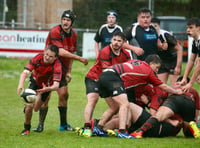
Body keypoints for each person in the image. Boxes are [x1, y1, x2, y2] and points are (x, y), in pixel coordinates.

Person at [92, 54, 183, 139]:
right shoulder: (148, 71)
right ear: (151, 63)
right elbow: (163, 86)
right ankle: (122, 132)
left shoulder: (136, 62)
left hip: (104, 75)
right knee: (125, 104)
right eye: (157, 67)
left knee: (114, 107)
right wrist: (176, 91)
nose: (157, 71)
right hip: (113, 77)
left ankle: (98, 128)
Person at [33, 10, 89, 133]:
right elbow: (60, 51)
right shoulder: (55, 31)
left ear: (72, 22)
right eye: (63, 19)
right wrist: (80, 58)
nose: (65, 22)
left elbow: (70, 54)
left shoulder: (74, 34)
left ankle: (63, 125)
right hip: (48, 68)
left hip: (61, 69)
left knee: (64, 95)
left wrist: (69, 71)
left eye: (68, 20)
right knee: (46, 96)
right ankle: (40, 125)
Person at [82, 31, 131, 137]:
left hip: (106, 81)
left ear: (124, 42)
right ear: (111, 39)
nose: (116, 43)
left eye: (119, 41)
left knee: (114, 107)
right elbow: (106, 71)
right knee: (93, 100)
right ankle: (86, 127)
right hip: (94, 78)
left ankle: (98, 127)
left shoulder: (126, 54)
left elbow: (128, 70)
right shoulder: (105, 51)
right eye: (114, 40)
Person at [17, 45, 62, 135]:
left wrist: (47, 89)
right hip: (34, 81)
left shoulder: (57, 65)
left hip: (46, 87)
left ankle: (29, 108)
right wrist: (20, 85)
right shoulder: (38, 58)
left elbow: (56, 85)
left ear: (55, 58)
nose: (47, 57)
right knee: (30, 106)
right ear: (44, 52)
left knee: (36, 108)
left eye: (51, 56)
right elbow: (25, 72)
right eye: (46, 54)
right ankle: (26, 128)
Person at [130, 82, 200, 139]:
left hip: (174, 100)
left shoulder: (169, 89)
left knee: (158, 116)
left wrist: (148, 103)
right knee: (187, 132)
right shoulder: (194, 91)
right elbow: (197, 110)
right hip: (190, 103)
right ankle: (193, 125)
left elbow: (153, 112)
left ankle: (139, 131)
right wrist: (196, 120)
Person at [151, 17, 182, 85]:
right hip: (162, 61)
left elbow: (179, 49)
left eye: (155, 26)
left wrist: (178, 66)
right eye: (152, 26)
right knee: (161, 86)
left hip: (173, 61)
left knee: (175, 86)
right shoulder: (150, 36)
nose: (154, 28)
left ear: (159, 26)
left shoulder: (165, 35)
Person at [178, 17, 200, 92]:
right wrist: (184, 78)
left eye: (191, 28)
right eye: (187, 28)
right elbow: (191, 60)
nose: (188, 30)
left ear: (198, 28)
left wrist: (190, 83)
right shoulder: (195, 41)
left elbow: (199, 63)